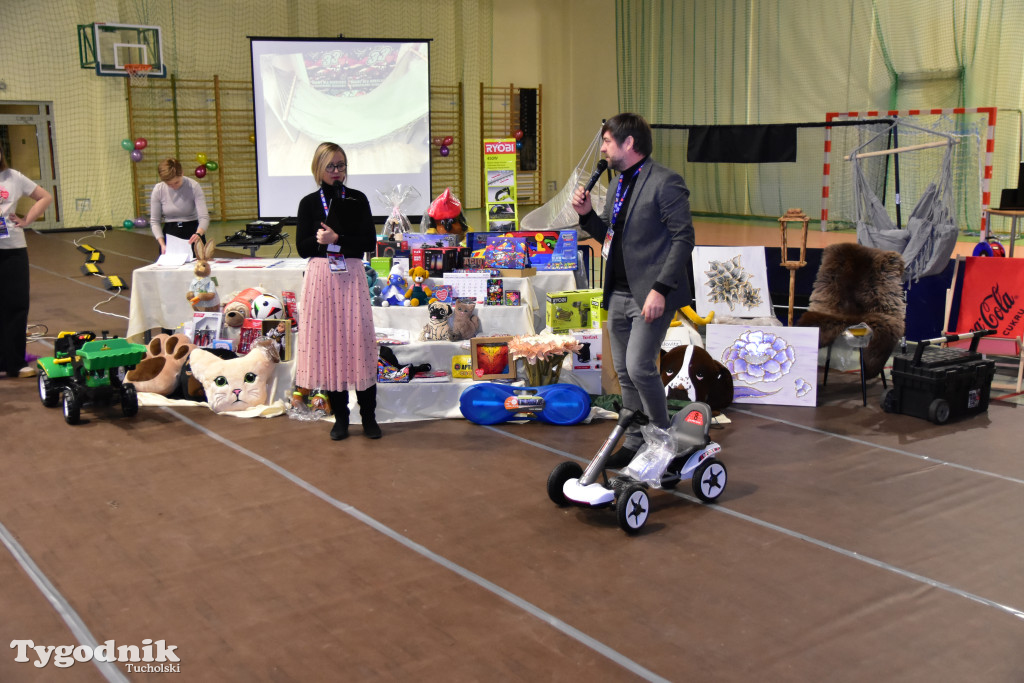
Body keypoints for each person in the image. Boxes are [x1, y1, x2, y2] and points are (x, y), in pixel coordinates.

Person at [572, 113, 695, 466]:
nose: (603, 148)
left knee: (640, 366)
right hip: (620, 292)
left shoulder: (666, 182)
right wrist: (586, 215)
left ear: (629, 143)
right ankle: (636, 441)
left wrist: (660, 288)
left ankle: (665, 441)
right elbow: (612, 239)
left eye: (608, 141)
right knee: (624, 372)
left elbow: (683, 238)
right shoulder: (616, 185)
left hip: (651, 295)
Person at [295, 142, 380, 440]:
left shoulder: (357, 199)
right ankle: (340, 418)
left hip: (351, 276)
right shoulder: (308, 203)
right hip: (321, 280)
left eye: (341, 165)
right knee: (329, 346)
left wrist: (338, 238)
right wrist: (323, 241)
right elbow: (302, 248)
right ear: (318, 168)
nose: (336, 171)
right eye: (330, 166)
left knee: (358, 344)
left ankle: (368, 417)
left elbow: (368, 241)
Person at [0, 148, 53, 379]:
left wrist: (27, 219)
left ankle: (15, 362)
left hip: (13, 249)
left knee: (16, 305)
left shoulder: (13, 176)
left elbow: (45, 196)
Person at [149, 157, 210, 256]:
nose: (174, 186)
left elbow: (204, 217)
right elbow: (155, 221)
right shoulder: (158, 189)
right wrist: (162, 244)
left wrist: (199, 233)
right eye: (169, 184)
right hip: (170, 233)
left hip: (193, 232)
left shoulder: (194, 187)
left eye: (176, 182)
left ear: (182, 173)